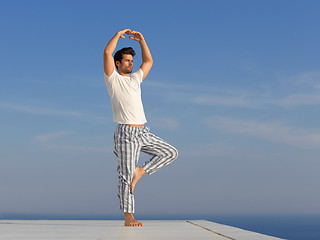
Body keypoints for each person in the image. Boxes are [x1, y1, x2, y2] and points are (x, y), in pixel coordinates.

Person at [103, 29, 178, 227]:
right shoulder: (113, 79)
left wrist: (142, 40)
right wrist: (118, 35)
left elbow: (148, 62)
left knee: (170, 152)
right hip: (126, 133)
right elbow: (106, 54)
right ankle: (129, 217)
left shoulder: (136, 78)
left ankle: (140, 172)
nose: (130, 63)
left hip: (143, 131)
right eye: (126, 60)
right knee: (125, 176)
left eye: (131, 60)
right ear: (118, 63)